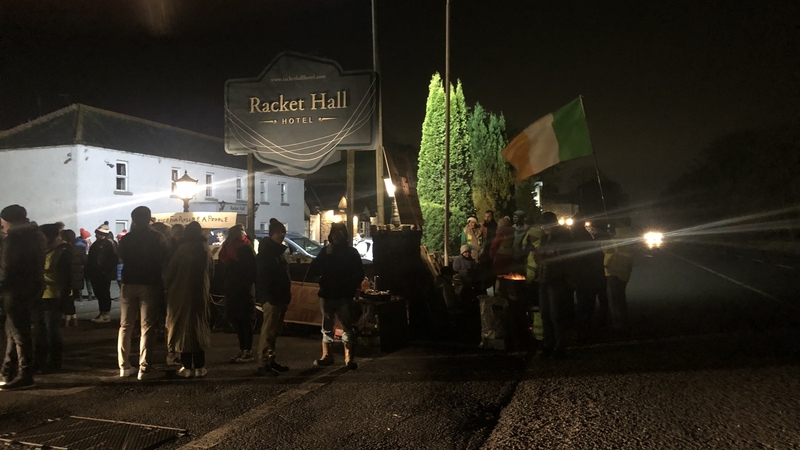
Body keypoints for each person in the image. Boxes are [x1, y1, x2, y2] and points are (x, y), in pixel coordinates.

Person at [117, 206, 168, 380]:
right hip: (149, 282)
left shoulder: (126, 239)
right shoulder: (158, 237)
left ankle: (124, 366)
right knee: (147, 327)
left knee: (126, 326)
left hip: (128, 282)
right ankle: (144, 367)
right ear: (148, 218)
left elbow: (122, 258)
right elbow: (164, 258)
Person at [0, 204, 46, 391]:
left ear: (8, 220)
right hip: (34, 286)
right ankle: (8, 370)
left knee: (18, 332)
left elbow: (7, 268)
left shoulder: (14, 240)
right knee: (15, 330)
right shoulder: (37, 236)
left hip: (15, 289)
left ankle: (24, 374)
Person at [308, 222, 364, 370]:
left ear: (345, 235)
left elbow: (359, 273)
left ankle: (349, 358)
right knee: (327, 325)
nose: (337, 236)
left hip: (344, 296)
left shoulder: (351, 253)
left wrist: (350, 288)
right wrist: (322, 280)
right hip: (327, 294)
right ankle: (327, 356)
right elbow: (314, 268)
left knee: (347, 325)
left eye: (340, 233)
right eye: (335, 233)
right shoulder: (325, 252)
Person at [163, 221, 214, 378]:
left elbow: (169, 274)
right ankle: (200, 366)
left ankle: (186, 366)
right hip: (200, 293)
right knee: (198, 326)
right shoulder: (206, 250)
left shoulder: (181, 250)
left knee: (182, 327)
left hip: (181, 294)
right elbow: (211, 272)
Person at [534, 212, 575, 359]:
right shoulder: (545, 237)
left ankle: (560, 347)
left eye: (546, 224)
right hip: (544, 278)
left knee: (556, 314)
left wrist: (543, 257)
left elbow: (563, 258)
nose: (543, 227)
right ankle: (548, 345)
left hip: (557, 280)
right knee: (545, 313)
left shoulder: (564, 237)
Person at [255, 219, 292, 376]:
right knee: (268, 331)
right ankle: (263, 362)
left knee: (274, 331)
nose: (281, 235)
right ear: (271, 234)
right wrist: (268, 297)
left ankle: (270, 359)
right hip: (272, 298)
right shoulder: (267, 254)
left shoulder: (278, 253)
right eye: (278, 232)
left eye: (282, 232)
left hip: (280, 297)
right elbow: (263, 277)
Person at [34, 223, 72, 373]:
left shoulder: (63, 250)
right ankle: (39, 361)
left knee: (51, 331)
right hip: (40, 295)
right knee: (39, 331)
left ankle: (54, 363)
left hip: (55, 296)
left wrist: (65, 300)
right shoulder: (41, 250)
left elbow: (67, 278)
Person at [219, 224, 257, 364]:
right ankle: (243, 349)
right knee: (238, 319)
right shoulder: (233, 248)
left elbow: (251, 271)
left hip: (242, 289)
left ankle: (247, 350)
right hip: (234, 288)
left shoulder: (244, 248)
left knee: (245, 320)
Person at [602, 218, 635, 336]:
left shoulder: (617, 238)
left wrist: (607, 237)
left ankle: (619, 324)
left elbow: (605, 248)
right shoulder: (630, 236)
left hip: (613, 271)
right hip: (623, 271)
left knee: (614, 299)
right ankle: (622, 323)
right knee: (620, 298)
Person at [85, 222, 117, 323]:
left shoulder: (108, 244)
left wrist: (105, 270)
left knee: (104, 293)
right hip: (96, 273)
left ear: (102, 234)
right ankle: (102, 312)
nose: (95, 235)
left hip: (103, 274)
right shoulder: (97, 244)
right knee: (99, 293)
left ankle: (105, 314)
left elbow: (113, 259)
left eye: (97, 233)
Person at [61, 229, 86, 327]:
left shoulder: (62, 249)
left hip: (66, 278)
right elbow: (85, 261)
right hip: (77, 278)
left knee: (67, 297)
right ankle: (73, 316)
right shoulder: (79, 249)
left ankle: (69, 316)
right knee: (71, 298)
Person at [77, 228, 94, 301]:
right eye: (88, 237)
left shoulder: (86, 243)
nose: (89, 239)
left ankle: (86, 294)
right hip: (82, 264)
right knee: (85, 280)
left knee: (86, 280)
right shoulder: (80, 245)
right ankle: (83, 294)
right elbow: (86, 254)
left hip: (85, 264)